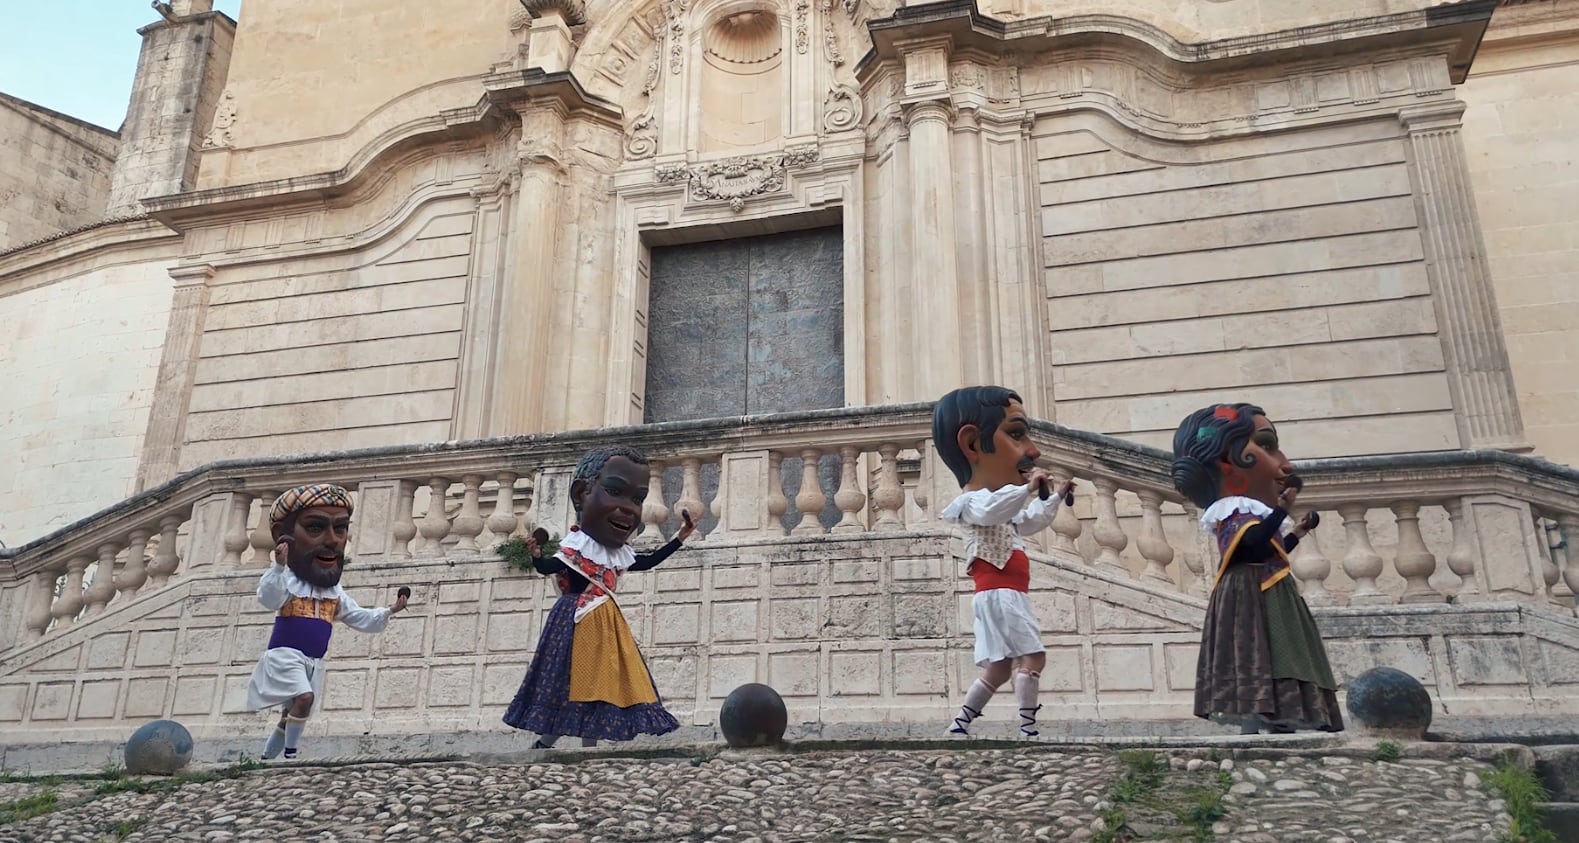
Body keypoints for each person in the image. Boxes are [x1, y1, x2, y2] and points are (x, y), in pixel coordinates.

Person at [503, 446, 695, 748]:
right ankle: (547, 742)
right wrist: (537, 556)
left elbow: (648, 561)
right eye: (615, 492)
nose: (628, 508)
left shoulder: (617, 554)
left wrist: (679, 538)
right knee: (567, 683)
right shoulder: (575, 549)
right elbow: (549, 567)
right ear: (581, 495)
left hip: (605, 622)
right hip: (573, 620)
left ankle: (585, 745)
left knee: (600, 683)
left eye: (637, 499)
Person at [1170, 403, 1343, 733]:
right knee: (1256, 652)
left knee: (1281, 651)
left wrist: (1297, 532)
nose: (1285, 463)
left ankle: (1283, 713)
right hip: (1247, 591)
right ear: (1228, 465)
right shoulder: (1233, 510)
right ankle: (1256, 717)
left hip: (1268, 584)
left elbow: (1270, 550)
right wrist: (1282, 510)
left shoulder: (1250, 513)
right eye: (1265, 446)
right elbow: (1253, 545)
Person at [933, 386, 1075, 738]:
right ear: (971, 446)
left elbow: (1029, 522)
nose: (1032, 450)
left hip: (1006, 593)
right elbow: (993, 511)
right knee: (1033, 657)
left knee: (998, 668)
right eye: (1015, 433)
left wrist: (1054, 496)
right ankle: (1028, 729)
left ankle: (959, 725)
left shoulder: (1002, 506)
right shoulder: (972, 502)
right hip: (1000, 593)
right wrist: (1026, 490)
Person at [247, 484, 409, 760]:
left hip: (313, 661)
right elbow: (269, 598)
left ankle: (265, 758)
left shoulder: (334, 593)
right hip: (285, 657)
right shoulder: (287, 581)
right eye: (315, 528)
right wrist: (278, 567)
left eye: (341, 529)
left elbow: (360, 617)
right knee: (304, 699)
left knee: (292, 712)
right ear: (284, 537)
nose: (332, 541)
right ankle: (290, 756)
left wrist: (391, 610)